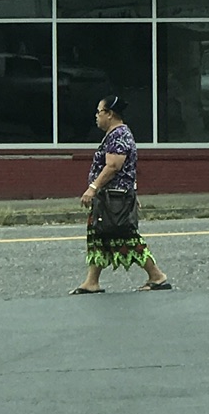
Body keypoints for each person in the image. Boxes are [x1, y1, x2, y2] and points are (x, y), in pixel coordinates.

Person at [71, 95, 172, 294]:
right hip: (110, 197)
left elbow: (114, 166)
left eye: (99, 112)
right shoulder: (114, 134)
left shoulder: (119, 135)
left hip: (114, 198)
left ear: (109, 114)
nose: (96, 117)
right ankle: (92, 281)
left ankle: (157, 276)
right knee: (99, 237)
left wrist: (92, 187)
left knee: (125, 237)